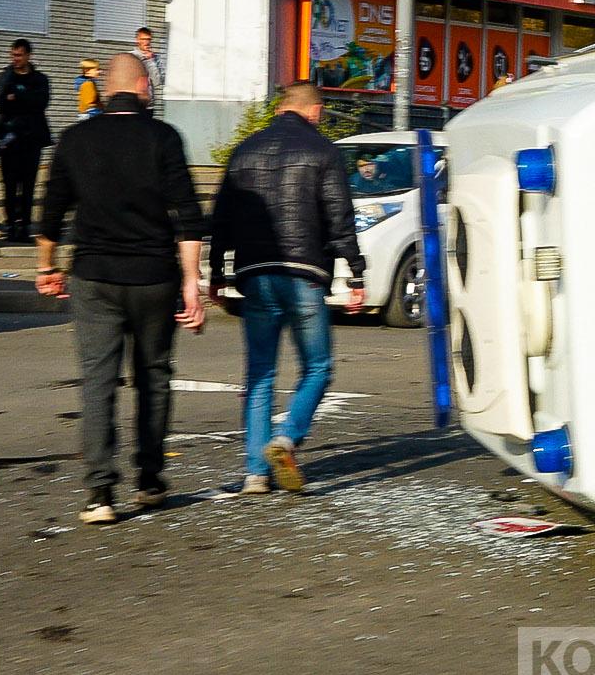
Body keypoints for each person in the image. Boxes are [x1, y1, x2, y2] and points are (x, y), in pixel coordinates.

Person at [37, 54, 204, 523]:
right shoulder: (164, 138)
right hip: (153, 277)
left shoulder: (76, 139)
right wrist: (192, 282)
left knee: (98, 382)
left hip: (93, 277)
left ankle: (99, 495)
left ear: (107, 90)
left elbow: (51, 212)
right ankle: (149, 481)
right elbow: (188, 216)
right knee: (153, 377)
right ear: (143, 88)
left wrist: (46, 266)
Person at [209, 81, 364, 495]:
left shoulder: (244, 151)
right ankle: (288, 436)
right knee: (317, 366)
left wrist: (216, 272)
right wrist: (357, 271)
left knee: (260, 373)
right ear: (314, 110)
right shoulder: (322, 150)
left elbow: (222, 215)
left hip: (255, 274)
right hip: (304, 274)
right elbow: (339, 216)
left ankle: (255, 473)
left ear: (281, 109)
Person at [0, 39, 52, 242]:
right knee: (9, 184)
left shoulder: (40, 79)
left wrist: (19, 96)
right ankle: (11, 224)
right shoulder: (5, 77)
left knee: (29, 185)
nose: (15, 59)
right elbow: (3, 103)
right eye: (13, 55)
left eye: (19, 55)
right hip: (10, 139)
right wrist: (22, 99)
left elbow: (41, 102)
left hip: (32, 138)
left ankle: (25, 225)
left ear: (28, 55)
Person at [131, 27, 163, 99]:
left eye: (149, 39)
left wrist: (150, 60)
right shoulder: (131, 56)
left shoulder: (155, 58)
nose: (147, 42)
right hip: (133, 101)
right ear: (137, 40)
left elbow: (157, 82)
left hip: (148, 102)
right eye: (143, 39)